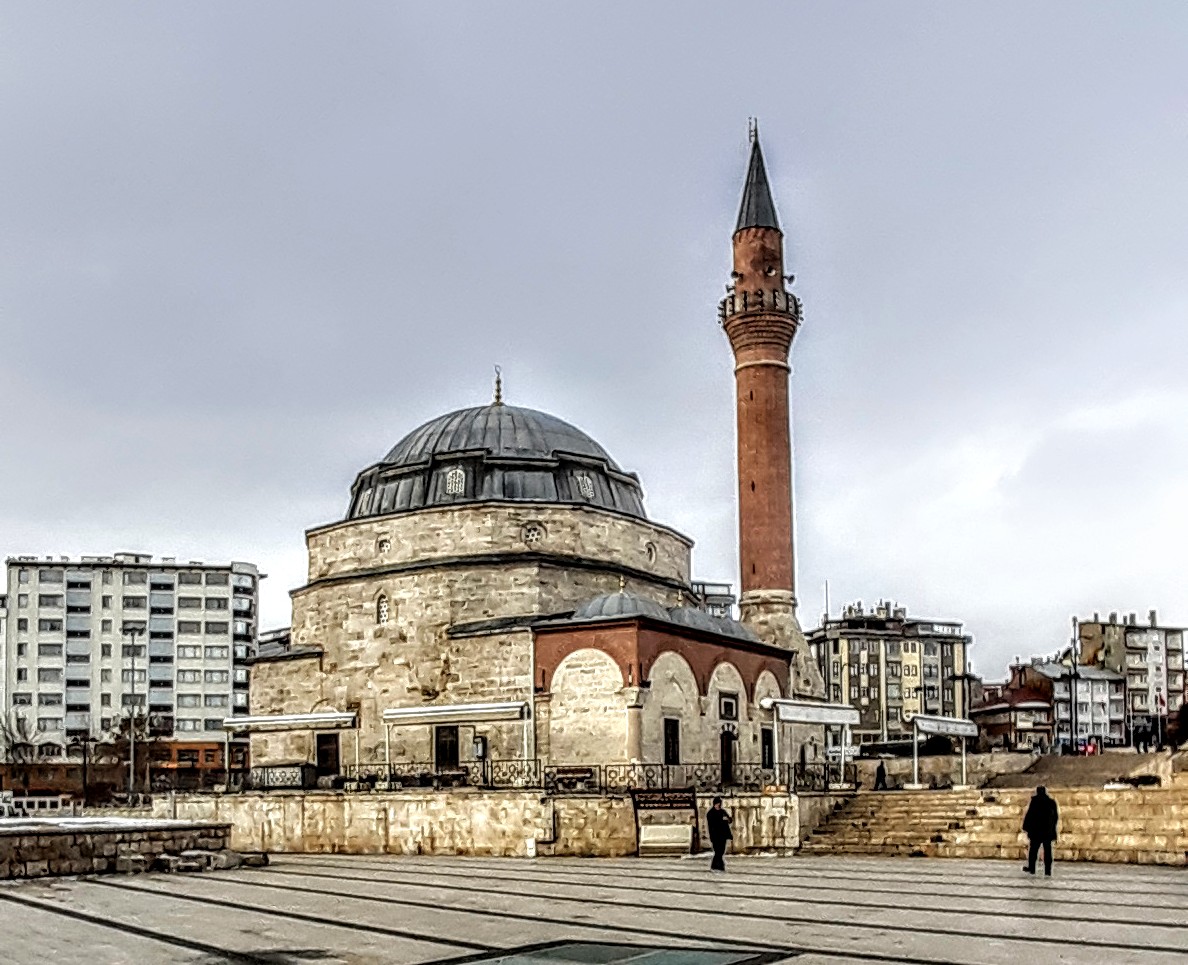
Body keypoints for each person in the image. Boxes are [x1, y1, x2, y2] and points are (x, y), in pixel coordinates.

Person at [1022, 785, 1059, 876]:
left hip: (1036, 831)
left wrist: (1026, 827)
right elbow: (1055, 817)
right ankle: (1048, 870)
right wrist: (1053, 829)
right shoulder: (1051, 802)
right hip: (1047, 831)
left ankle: (1032, 868)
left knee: (1033, 850)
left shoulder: (1035, 802)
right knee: (1047, 850)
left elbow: (1030, 815)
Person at [707, 796, 732, 872]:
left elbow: (729, 820)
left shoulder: (722, 811)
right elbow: (712, 825)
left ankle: (717, 866)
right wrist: (722, 821)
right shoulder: (711, 813)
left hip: (723, 834)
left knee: (721, 851)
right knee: (718, 851)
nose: (718, 805)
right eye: (717, 804)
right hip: (715, 835)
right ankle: (718, 866)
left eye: (719, 804)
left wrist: (728, 819)